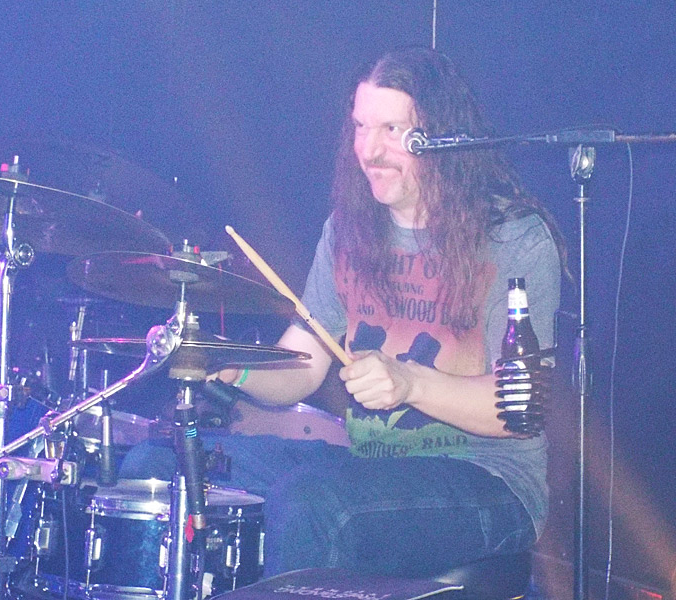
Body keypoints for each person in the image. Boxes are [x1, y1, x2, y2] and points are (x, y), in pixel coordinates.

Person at [120, 46, 566, 579]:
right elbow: (302, 368)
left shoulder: (512, 238)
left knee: (312, 504)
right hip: (370, 469)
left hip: (489, 479)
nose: (369, 150)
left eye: (392, 130)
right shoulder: (349, 230)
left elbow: (516, 411)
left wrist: (411, 383)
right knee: (158, 464)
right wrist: (227, 363)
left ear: (444, 137)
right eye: (360, 127)